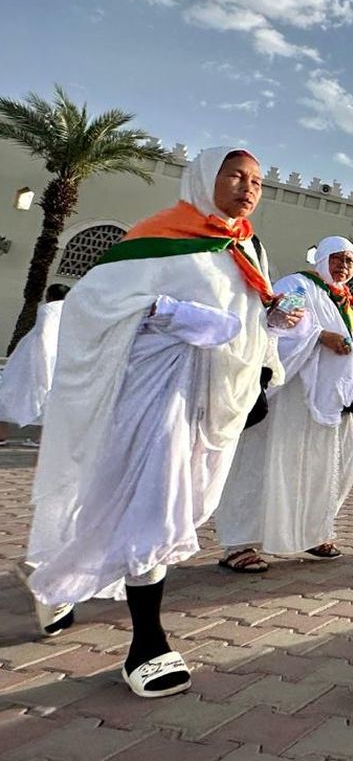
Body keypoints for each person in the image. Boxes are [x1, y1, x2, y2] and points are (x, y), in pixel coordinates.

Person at [24, 147, 291, 698]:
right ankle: (146, 644)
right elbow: (91, 305)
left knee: (144, 501)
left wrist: (263, 354)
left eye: (257, 181)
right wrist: (174, 314)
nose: (248, 188)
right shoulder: (156, 236)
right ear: (202, 178)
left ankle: (57, 577)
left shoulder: (245, 249)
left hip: (211, 397)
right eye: (236, 175)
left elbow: (243, 317)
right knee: (154, 503)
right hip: (151, 394)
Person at [216, 236, 353, 572]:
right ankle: (238, 544)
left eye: (349, 261)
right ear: (322, 257)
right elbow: (272, 325)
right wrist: (319, 337)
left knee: (334, 464)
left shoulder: (351, 304)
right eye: (337, 258)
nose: (343, 266)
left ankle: (310, 532)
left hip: (329, 402)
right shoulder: (299, 285)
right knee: (264, 464)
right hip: (289, 397)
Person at [0, 284, 69, 448]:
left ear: (49, 296)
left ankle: (2, 434)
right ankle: (41, 438)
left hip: (33, 356)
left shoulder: (49, 309)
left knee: (8, 390)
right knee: (48, 396)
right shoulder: (71, 311)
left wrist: (42, 358)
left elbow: (45, 333)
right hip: (58, 354)